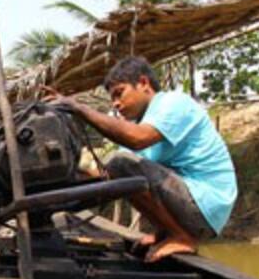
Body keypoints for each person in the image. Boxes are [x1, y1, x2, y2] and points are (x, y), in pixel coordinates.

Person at [44, 56, 237, 262]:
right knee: (118, 167)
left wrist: (79, 108)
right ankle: (167, 231)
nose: (116, 104)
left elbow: (136, 141)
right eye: (112, 99)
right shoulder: (143, 122)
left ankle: (180, 235)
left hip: (206, 205)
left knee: (120, 163)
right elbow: (107, 176)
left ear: (144, 83)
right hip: (191, 204)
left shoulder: (173, 103)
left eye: (120, 93)